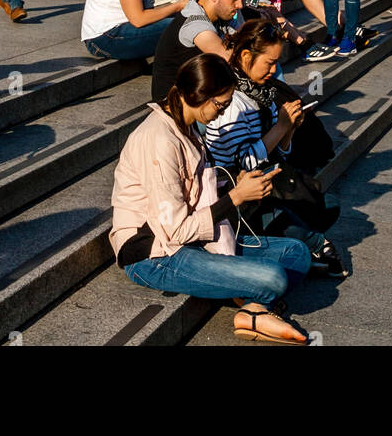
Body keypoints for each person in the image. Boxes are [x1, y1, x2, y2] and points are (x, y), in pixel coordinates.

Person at [112, 53, 313, 344]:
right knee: (273, 278)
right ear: (197, 95)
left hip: (193, 240)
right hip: (153, 254)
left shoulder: (187, 126)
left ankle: (255, 308)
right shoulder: (159, 140)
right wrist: (234, 198)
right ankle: (254, 305)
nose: (222, 112)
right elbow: (174, 230)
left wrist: (240, 186)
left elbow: (196, 195)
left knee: (296, 254)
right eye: (220, 104)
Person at [202, 19, 344, 269]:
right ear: (246, 56)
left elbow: (278, 154)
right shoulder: (232, 101)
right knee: (313, 214)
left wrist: (288, 130)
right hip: (236, 192)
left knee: (325, 205)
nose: (274, 69)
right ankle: (304, 245)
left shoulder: (261, 92)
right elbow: (242, 164)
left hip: (266, 183)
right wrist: (280, 128)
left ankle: (299, 239)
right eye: (269, 62)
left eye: (277, 62)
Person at [151, 0, 245, 100]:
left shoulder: (221, 14)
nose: (240, 5)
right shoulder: (195, 22)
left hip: (201, 94)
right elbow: (229, 59)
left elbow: (247, 41)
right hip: (177, 105)